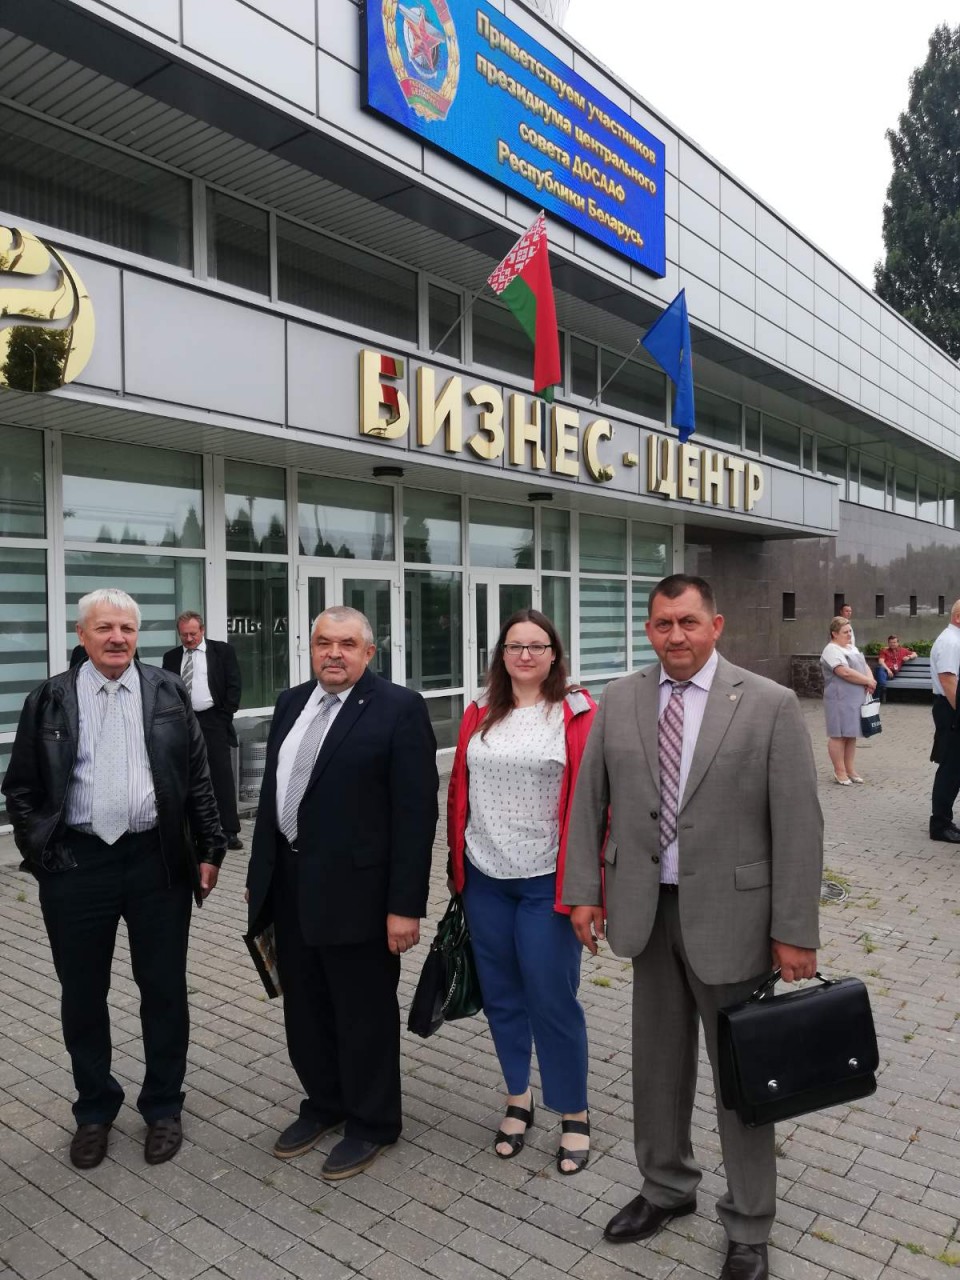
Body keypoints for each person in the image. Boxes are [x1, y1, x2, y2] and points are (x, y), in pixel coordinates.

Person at [562, 574, 822, 1280]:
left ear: (716, 625)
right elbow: (589, 802)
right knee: (656, 1068)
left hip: (736, 921)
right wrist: (583, 893)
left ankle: (749, 1223)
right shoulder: (620, 698)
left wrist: (795, 929)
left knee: (743, 1078)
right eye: (661, 624)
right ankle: (666, 1188)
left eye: (687, 622)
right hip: (645, 912)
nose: (674, 635)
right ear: (648, 630)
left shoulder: (767, 704)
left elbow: (799, 825)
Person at [1, 588, 225, 1170]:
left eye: (126, 628)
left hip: (157, 861)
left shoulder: (168, 691)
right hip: (76, 865)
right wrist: (41, 854)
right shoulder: (49, 698)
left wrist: (210, 848)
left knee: (164, 988)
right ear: (82, 635)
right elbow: (20, 788)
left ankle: (163, 1105)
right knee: (82, 993)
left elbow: (197, 777)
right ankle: (95, 1108)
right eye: (104, 628)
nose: (117, 638)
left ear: (138, 634)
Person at [246, 606, 438, 1180]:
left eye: (347, 644)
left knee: (363, 1012)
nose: (334, 653)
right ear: (310, 649)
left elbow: (415, 816)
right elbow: (272, 796)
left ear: (369, 652)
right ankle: (324, 1103)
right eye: (323, 642)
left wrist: (404, 906)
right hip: (290, 885)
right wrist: (258, 880)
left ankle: (372, 1121)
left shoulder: (399, 709)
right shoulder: (291, 702)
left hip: (361, 894)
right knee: (304, 1008)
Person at [447, 610, 597, 1175]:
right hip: (483, 878)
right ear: (502, 654)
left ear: (554, 654)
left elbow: (596, 804)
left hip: (546, 880)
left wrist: (590, 889)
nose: (526, 655)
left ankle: (573, 1110)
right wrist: (455, 867)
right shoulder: (480, 710)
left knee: (551, 997)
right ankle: (518, 1097)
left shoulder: (575, 713)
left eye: (537, 646)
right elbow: (459, 789)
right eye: (515, 646)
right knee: (503, 996)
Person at [163, 612, 243, 850]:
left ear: (202, 630)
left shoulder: (222, 651)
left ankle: (229, 830)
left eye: (193, 634)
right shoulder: (171, 657)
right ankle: (192, 829)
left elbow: (234, 684)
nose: (189, 639)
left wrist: (224, 715)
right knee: (185, 774)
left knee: (220, 774)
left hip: (213, 720)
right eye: (184, 635)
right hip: (182, 722)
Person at [820, 617, 876, 785]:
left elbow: (865, 666)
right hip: (839, 699)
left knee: (851, 734)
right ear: (834, 634)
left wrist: (871, 680)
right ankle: (840, 771)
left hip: (855, 698)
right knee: (838, 735)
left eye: (850, 631)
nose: (849, 634)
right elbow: (844, 672)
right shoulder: (831, 650)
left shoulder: (852, 647)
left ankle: (850, 770)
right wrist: (867, 681)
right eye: (845, 632)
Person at [929, 600, 960, 843]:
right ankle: (940, 825)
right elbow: (948, 680)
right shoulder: (951, 642)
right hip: (951, 709)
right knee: (951, 768)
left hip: (951, 708)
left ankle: (943, 820)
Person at [875, 634, 918, 701]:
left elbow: (915, 654)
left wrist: (909, 657)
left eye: (894, 642)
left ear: (898, 643)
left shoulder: (903, 651)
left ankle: (876, 697)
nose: (892, 644)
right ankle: (881, 687)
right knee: (880, 670)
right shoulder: (884, 651)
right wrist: (888, 670)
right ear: (888, 643)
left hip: (891, 674)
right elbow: (881, 662)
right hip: (884, 670)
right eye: (890, 642)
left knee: (879, 678)